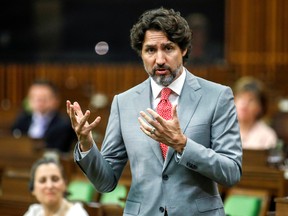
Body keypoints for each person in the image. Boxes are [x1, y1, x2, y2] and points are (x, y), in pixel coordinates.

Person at [67, 7, 242, 216]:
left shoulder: (217, 96)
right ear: (141, 54)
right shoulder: (124, 103)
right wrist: (86, 143)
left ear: (183, 49)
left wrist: (182, 144)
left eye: (168, 48)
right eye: (150, 50)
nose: (159, 59)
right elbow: (106, 183)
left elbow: (231, 172)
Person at [11, 80, 76, 153]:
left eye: (44, 98)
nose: (39, 101)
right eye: (34, 97)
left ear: (56, 100)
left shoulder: (64, 124)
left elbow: (58, 148)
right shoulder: (22, 119)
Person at [24, 157, 88, 216]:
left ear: (64, 184)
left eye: (55, 179)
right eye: (42, 181)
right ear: (33, 189)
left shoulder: (77, 214)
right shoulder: (34, 212)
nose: (49, 186)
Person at [234, 76, 278, 150]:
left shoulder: (268, 135)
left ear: (260, 107)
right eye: (241, 98)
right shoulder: (222, 130)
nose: (244, 104)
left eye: (251, 100)